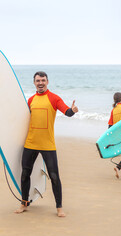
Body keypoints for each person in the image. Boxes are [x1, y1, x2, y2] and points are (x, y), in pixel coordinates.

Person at [14, 71, 78, 217]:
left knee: (54, 176)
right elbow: (21, 121)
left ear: (47, 82)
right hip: (30, 143)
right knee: (25, 174)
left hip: (47, 144)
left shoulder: (54, 98)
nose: (40, 83)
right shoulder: (30, 100)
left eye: (43, 80)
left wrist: (72, 111)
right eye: (38, 80)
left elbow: (66, 111)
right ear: (34, 83)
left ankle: (59, 208)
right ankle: (24, 203)